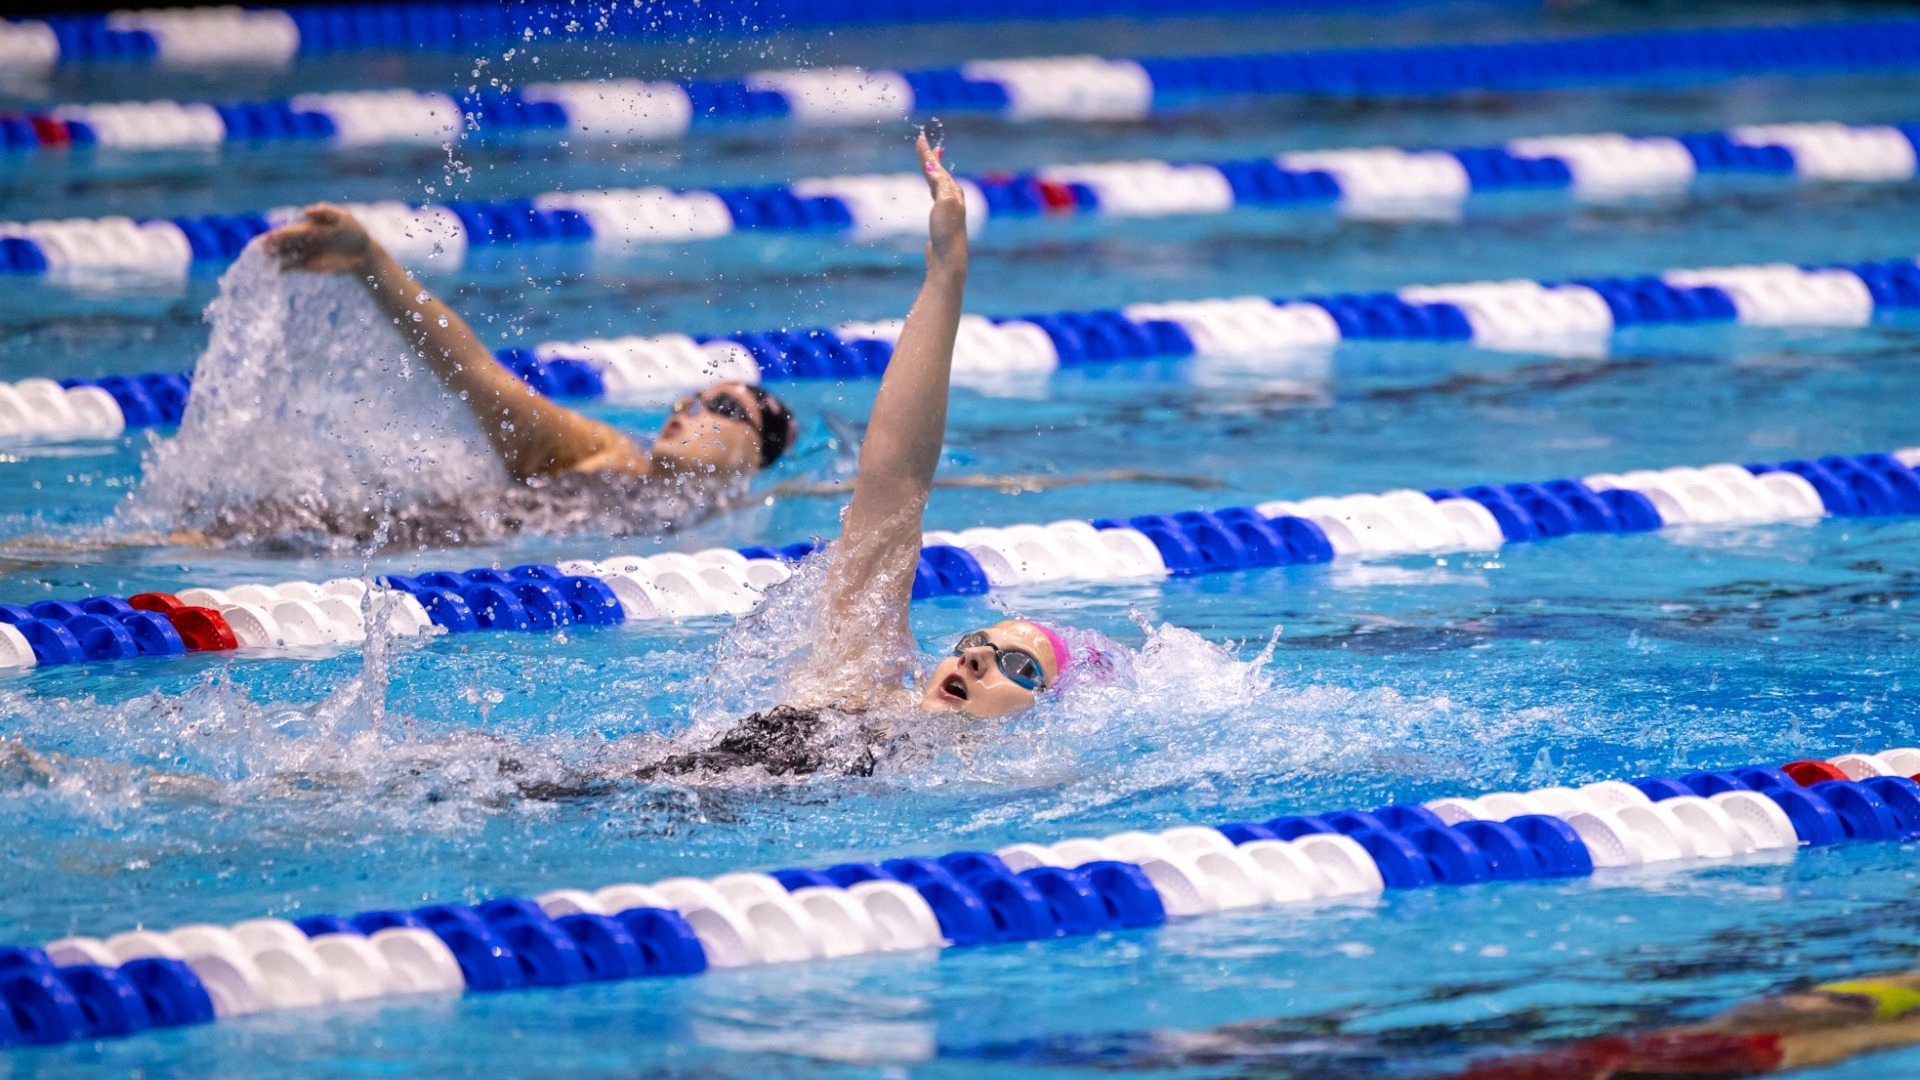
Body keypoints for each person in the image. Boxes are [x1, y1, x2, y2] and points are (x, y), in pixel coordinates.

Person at [636, 134, 1085, 780]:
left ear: (1041, 715)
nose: (975, 661)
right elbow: (896, 479)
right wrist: (947, 273)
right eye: (972, 646)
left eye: (1017, 667)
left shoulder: (992, 781)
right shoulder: (863, 684)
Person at [233, 201, 798, 548]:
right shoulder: (604, 452)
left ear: (755, 458)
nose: (687, 410)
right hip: (363, 535)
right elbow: (477, 374)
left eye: (722, 409)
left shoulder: (737, 512)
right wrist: (372, 264)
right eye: (688, 399)